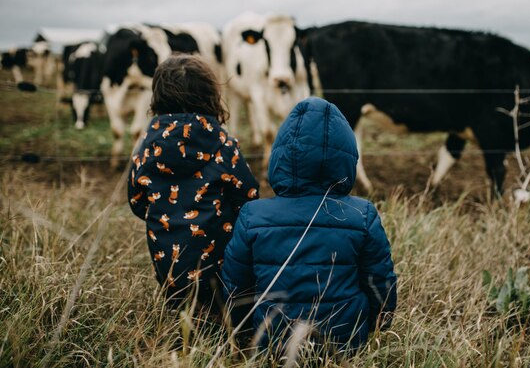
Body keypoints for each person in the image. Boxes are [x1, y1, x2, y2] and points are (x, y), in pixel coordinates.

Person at [221, 97, 397, 352]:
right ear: (347, 156)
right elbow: (380, 285)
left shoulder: (253, 216)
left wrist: (245, 332)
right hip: (344, 345)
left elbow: (236, 288)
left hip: (273, 344)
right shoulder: (362, 215)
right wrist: (376, 325)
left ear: (281, 154)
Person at [127, 54, 260, 313]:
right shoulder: (224, 147)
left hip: (169, 273)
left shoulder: (146, 148)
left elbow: (136, 201)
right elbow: (249, 199)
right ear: (211, 96)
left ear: (157, 98)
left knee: (181, 310)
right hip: (222, 275)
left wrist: (165, 213)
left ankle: (182, 312)